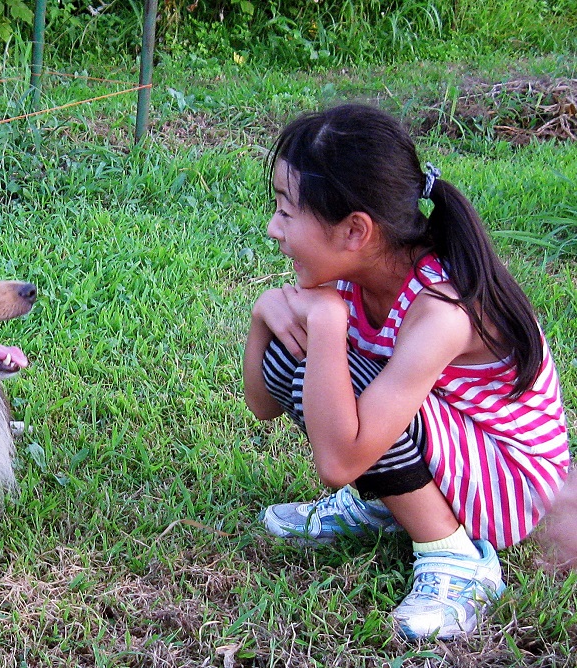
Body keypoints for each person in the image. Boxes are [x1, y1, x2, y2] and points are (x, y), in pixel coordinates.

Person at [243, 103, 570, 640]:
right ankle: (387, 506)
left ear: (354, 230)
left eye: (285, 210)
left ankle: (457, 559)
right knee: (296, 355)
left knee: (347, 378)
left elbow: (339, 461)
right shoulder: (354, 269)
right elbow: (264, 403)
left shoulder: (440, 309)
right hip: (450, 445)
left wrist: (325, 321)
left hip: (512, 476)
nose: (274, 229)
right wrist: (263, 314)